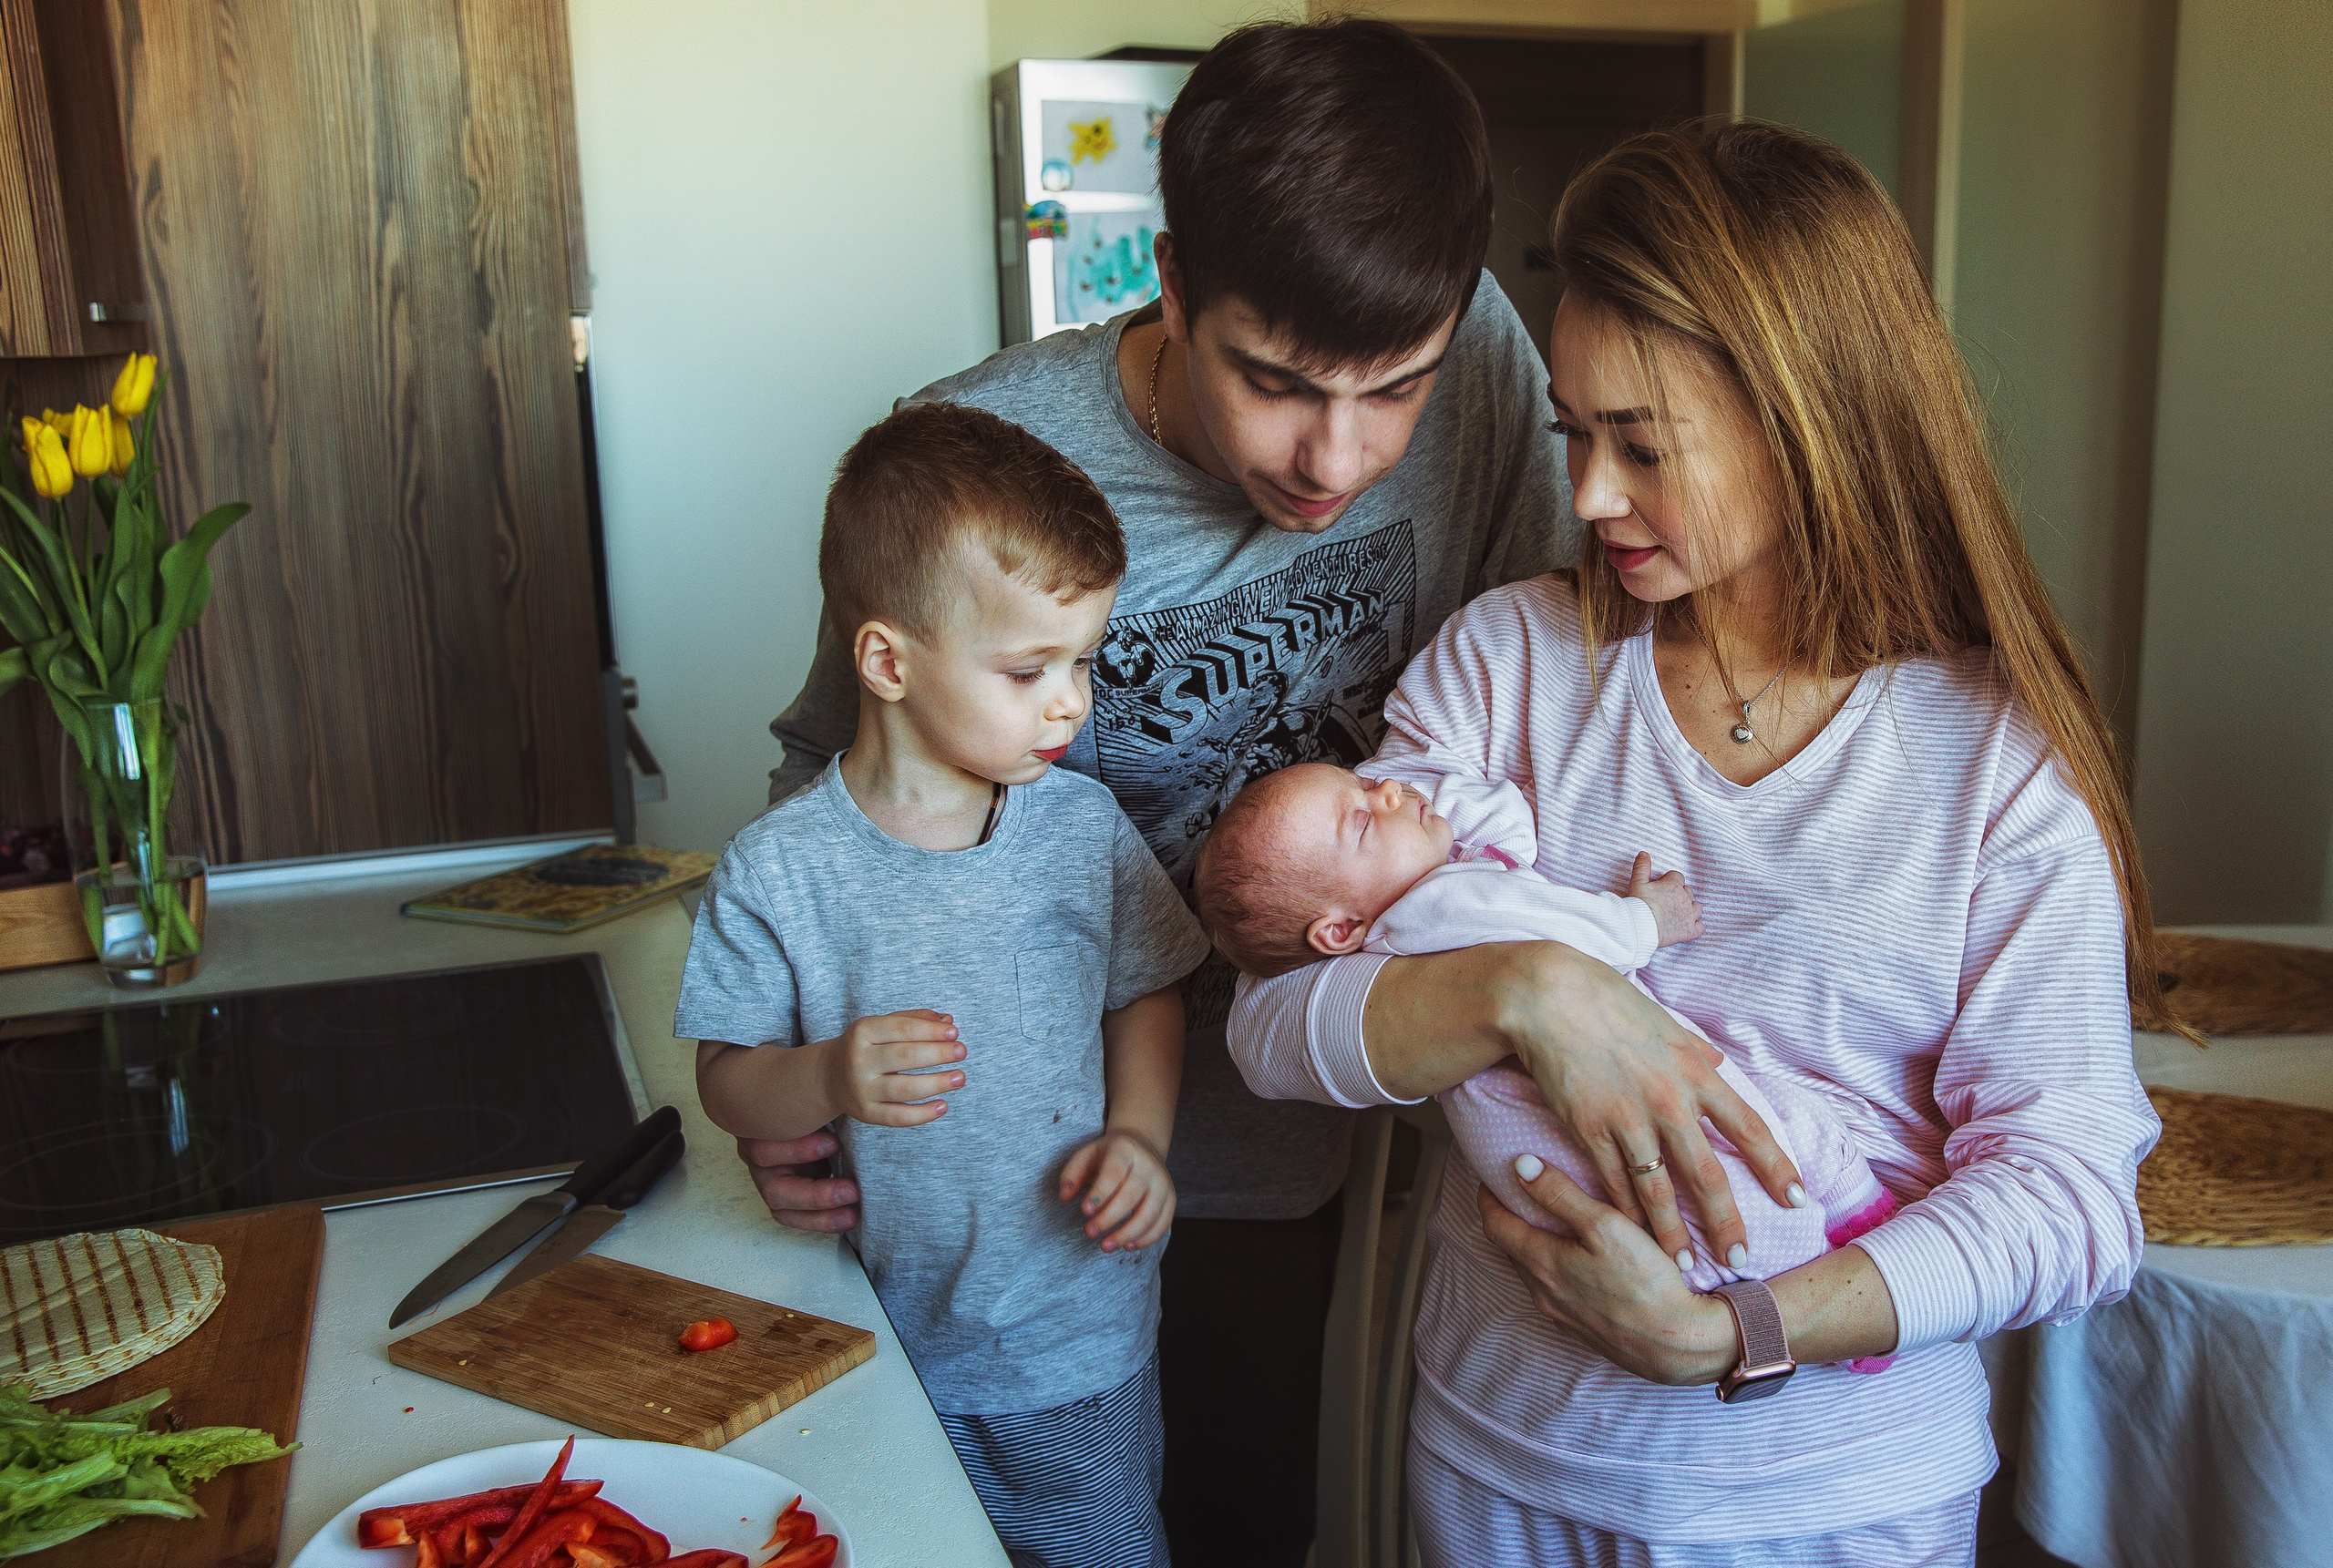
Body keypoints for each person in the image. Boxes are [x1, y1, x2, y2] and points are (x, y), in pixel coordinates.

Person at [732, 22, 1711, 1563]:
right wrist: (785, 1073)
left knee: (1240, 1521)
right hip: (981, 1175)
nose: (1337, 457)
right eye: (1275, 384)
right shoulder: (976, 454)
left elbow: (1549, 672)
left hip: (1278, 1151)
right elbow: (822, 770)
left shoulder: (1484, 358)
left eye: (1395, 392)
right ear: (1175, 285)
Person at [1228, 120, 2171, 1563]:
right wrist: (1529, 989)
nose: (1589, 495)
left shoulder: (1994, 758)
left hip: (1831, 1505)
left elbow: (2069, 1196)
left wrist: (1737, 1329)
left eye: (1643, 446)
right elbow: (1274, 1022)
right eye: (1572, 432)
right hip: (1502, 1468)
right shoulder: (1509, 665)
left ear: (1811, 424)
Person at [680, 402, 1211, 1568]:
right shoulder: (779, 867)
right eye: (1028, 668)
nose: (1071, 701)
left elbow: (1147, 991)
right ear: (888, 661)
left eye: (1082, 660)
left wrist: (1139, 1134)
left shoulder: (1080, 827)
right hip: (871, 1340)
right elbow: (727, 1081)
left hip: (1074, 1348)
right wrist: (825, 1074)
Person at [1191, 762, 1898, 1323]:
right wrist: (1644, 922)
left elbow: (1507, 829)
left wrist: (1423, 818)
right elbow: (1565, 930)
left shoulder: (1402, 911)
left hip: (1529, 1133)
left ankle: (1802, 1258)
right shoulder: (1440, 903)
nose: (1389, 789)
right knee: (1734, 1151)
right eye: (1362, 817)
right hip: (1553, 1110)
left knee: (1708, 1159)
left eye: (1365, 780)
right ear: (1338, 931)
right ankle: (1829, 1237)